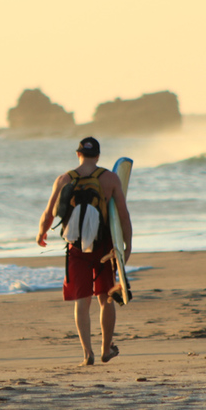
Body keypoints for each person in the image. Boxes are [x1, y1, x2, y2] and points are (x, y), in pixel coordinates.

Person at [37, 137, 132, 366]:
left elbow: (50, 212)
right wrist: (126, 246)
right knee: (106, 297)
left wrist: (41, 233)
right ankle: (106, 348)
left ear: (77, 154)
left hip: (76, 245)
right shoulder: (110, 178)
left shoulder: (64, 179)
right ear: (98, 155)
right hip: (104, 245)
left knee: (82, 299)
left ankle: (87, 353)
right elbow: (122, 215)